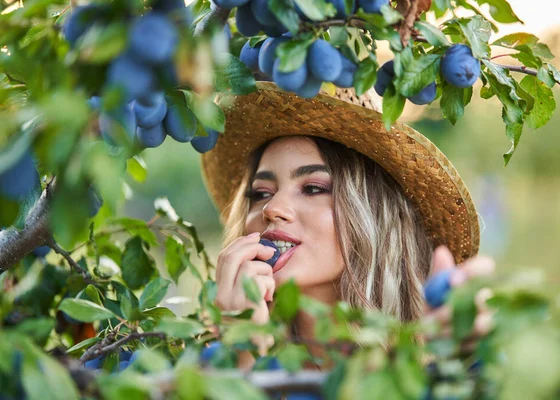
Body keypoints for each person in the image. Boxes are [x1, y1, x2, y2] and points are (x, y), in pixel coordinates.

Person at [200, 82, 495, 371]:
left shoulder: (425, 369)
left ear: (372, 214)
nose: (272, 208)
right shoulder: (201, 365)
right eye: (261, 193)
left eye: (313, 188)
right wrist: (242, 351)